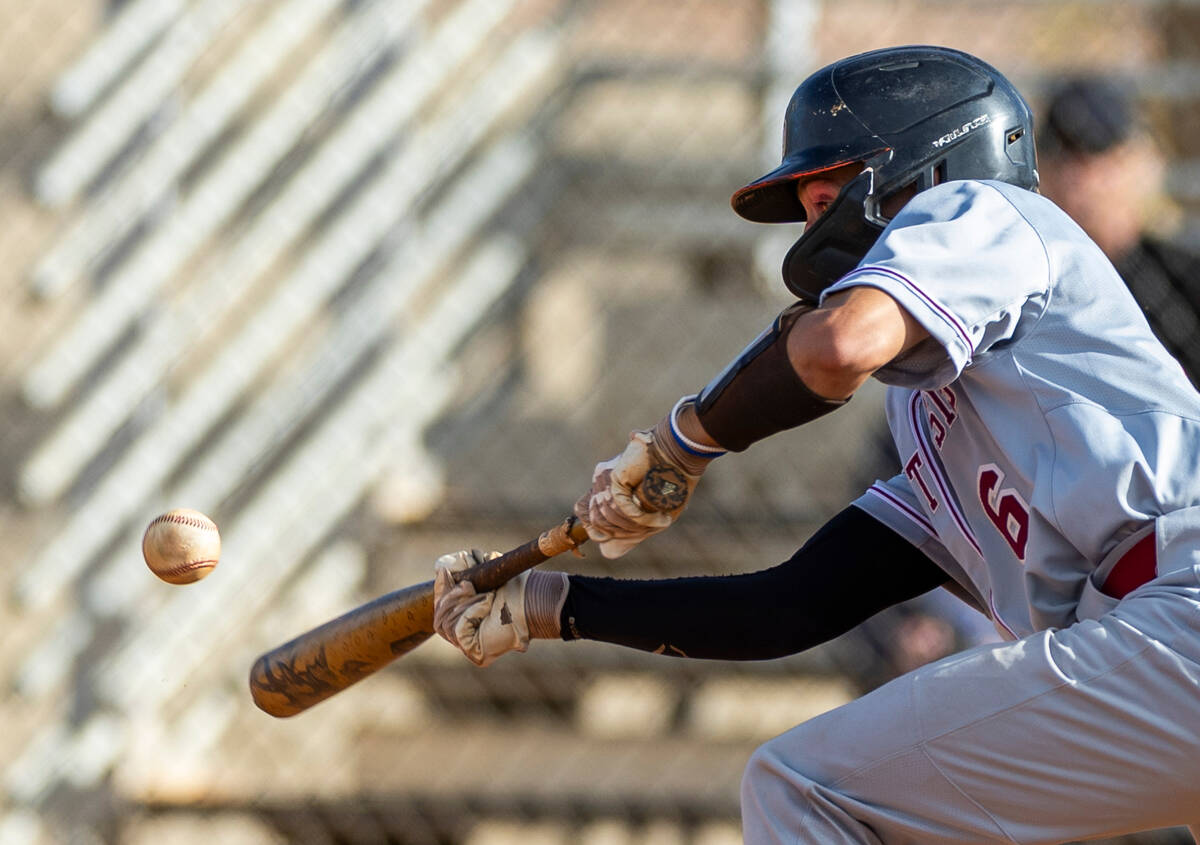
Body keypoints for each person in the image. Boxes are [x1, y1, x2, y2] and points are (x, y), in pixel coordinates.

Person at [432, 45, 1200, 843]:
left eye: (829, 191)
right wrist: (552, 606)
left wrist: (680, 446)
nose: (813, 222)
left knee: (805, 786)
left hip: (1178, 614)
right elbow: (787, 607)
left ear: (923, 166)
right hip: (1156, 643)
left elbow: (834, 347)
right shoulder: (942, 426)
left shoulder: (983, 213)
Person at [1038, 75, 1200, 386]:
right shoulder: (1033, 285)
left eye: (1094, 155)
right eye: (1061, 154)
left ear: (1138, 162)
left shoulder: (1183, 279)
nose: (1076, 176)